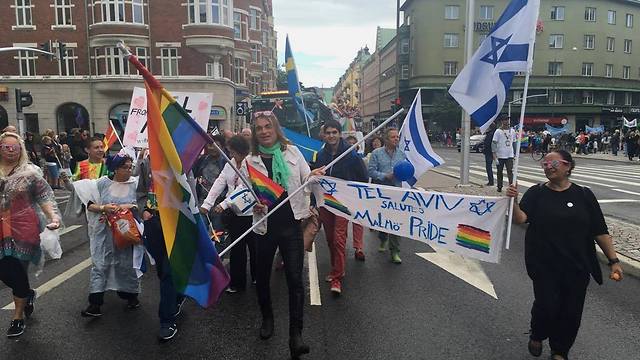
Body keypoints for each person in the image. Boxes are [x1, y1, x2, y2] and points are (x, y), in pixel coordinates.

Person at [505, 150, 623, 360]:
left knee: (571, 312)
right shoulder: (536, 193)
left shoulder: (584, 195)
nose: (548, 166)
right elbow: (521, 219)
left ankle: (560, 351)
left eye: (553, 163)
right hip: (544, 265)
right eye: (545, 164)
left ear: (568, 166)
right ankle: (538, 334)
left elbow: (600, 231)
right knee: (546, 306)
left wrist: (614, 261)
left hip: (577, 266)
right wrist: (513, 202)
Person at [242, 111, 321, 359]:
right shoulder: (249, 160)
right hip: (264, 228)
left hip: (291, 226)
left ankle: (295, 335)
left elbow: (306, 179)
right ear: (254, 133)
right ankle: (267, 318)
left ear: (276, 129)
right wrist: (249, 204)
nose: (264, 131)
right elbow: (240, 193)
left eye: (268, 126)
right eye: (259, 128)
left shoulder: (292, 153)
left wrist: (314, 176)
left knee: (296, 281)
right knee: (262, 279)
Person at [0, 132, 61, 337]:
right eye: (6, 147)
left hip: (23, 230)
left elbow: (44, 197)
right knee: (5, 272)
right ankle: (27, 293)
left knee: (17, 271)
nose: (10, 150)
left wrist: (53, 217)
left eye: (14, 147)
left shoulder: (29, 173)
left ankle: (17, 317)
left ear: (21, 149)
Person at [74, 154, 143, 317]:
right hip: (104, 233)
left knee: (125, 265)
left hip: (126, 233)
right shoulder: (102, 183)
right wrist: (104, 207)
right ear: (115, 169)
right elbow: (88, 203)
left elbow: (140, 203)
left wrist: (125, 207)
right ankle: (95, 304)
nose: (128, 170)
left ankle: (131, 296)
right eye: (125, 167)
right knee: (100, 264)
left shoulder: (135, 184)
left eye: (130, 167)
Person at [135, 152, 186, 341]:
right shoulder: (147, 162)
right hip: (154, 224)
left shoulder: (184, 160)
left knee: (168, 271)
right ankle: (178, 296)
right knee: (162, 270)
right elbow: (140, 192)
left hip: (177, 223)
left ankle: (167, 320)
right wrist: (144, 212)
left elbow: (193, 193)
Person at [314, 121, 368, 295]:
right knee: (330, 238)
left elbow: (363, 177)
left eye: (334, 132)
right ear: (324, 135)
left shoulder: (351, 155)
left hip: (344, 202)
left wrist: (354, 195)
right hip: (326, 202)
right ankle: (338, 267)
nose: (331, 136)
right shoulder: (321, 155)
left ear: (339, 134)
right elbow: (316, 179)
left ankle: (337, 277)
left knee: (338, 238)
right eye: (328, 133)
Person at [200, 135, 256, 294]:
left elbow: (246, 186)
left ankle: (257, 276)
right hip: (235, 213)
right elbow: (220, 182)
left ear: (241, 150)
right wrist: (207, 204)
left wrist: (224, 204)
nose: (230, 154)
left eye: (232, 151)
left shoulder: (251, 163)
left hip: (251, 212)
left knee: (254, 247)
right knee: (237, 248)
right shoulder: (230, 164)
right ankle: (237, 282)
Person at [367, 127, 406, 264]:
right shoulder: (376, 154)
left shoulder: (402, 154)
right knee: (383, 221)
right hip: (382, 193)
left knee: (396, 222)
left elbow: (405, 170)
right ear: (386, 139)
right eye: (393, 137)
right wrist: (385, 176)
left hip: (397, 193)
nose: (396, 139)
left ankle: (395, 251)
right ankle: (383, 239)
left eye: (397, 137)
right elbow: (370, 172)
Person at [492, 117, 516, 192]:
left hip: (509, 155)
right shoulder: (498, 131)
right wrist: (494, 156)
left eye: (507, 119)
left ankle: (511, 186)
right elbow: (494, 143)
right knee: (499, 171)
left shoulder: (512, 131)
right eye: (505, 120)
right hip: (500, 155)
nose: (506, 121)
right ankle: (499, 186)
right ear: (502, 121)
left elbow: (514, 142)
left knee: (510, 171)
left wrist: (514, 153)